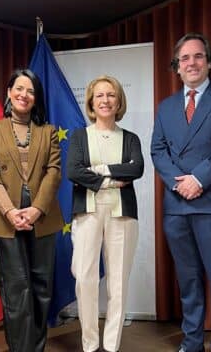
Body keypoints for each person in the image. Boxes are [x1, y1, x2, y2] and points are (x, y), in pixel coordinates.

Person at [151, 33, 211, 352]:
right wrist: (179, 182)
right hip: (177, 204)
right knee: (189, 282)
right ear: (176, 67)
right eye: (184, 58)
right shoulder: (165, 107)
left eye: (197, 56)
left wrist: (199, 178)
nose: (191, 63)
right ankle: (191, 342)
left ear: (209, 62)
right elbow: (157, 150)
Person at [0, 69, 63, 352]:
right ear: (8, 92)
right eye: (19, 88)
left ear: (36, 98)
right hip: (6, 219)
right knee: (16, 289)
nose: (23, 95)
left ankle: (36, 348)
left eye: (30, 91)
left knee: (41, 287)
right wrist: (9, 211)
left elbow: (54, 173)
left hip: (43, 219)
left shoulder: (48, 132)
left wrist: (37, 208)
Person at [67, 75, 144, 352]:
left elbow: (136, 170)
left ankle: (111, 346)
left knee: (118, 282)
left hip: (122, 214)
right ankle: (89, 344)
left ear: (119, 100)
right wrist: (112, 177)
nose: (105, 100)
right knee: (85, 278)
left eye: (111, 95)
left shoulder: (130, 138)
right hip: (87, 212)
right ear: (91, 101)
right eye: (99, 95)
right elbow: (73, 171)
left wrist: (98, 170)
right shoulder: (79, 136)